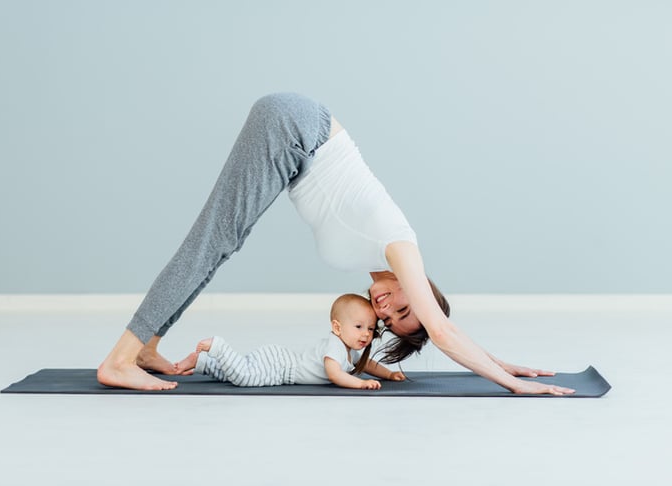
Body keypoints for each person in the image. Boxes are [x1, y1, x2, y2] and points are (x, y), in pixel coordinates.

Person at [97, 92, 575, 395]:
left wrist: (498, 359)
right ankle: (119, 359)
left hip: (297, 137)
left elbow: (441, 329)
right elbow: (445, 332)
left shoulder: (376, 262)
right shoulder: (400, 245)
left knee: (221, 241)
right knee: (213, 241)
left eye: (386, 320)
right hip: (297, 129)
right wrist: (512, 384)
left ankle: (144, 349)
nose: (384, 310)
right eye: (405, 310)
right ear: (425, 289)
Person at [175, 293, 405, 389]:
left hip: (279, 359)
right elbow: (335, 375)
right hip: (280, 368)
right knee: (243, 377)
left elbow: (367, 365)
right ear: (337, 327)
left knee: (234, 372)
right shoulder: (335, 345)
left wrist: (389, 374)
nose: (366, 334)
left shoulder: (348, 349)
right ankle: (218, 346)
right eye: (358, 327)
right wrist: (361, 384)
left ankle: (202, 362)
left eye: (370, 329)